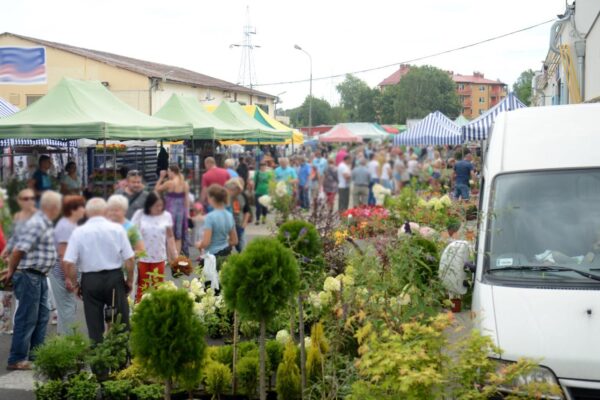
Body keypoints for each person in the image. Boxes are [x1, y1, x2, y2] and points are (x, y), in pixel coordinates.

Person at [63, 198, 135, 344]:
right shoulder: (117, 229)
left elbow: (69, 263)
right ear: (106, 211)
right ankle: (121, 363)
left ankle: (99, 364)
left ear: (87, 213)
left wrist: (76, 284)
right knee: (120, 321)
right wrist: (130, 280)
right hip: (114, 277)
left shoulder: (79, 232)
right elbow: (130, 259)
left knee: (94, 324)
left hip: (90, 280)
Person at [4, 191, 62, 370]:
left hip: (38, 274)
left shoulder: (42, 222)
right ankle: (17, 358)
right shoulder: (38, 223)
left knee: (42, 316)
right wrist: (11, 271)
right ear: (53, 207)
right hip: (30, 274)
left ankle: (36, 355)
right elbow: (19, 249)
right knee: (27, 318)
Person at [0, 189, 37, 334]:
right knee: (11, 293)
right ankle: (8, 325)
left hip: (12, 258)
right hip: (11, 259)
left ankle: (7, 324)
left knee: (10, 293)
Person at [48, 195, 85, 335]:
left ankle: (63, 341)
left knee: (66, 308)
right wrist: (68, 278)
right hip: (63, 273)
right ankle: (70, 344)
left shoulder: (70, 224)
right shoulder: (66, 226)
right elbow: (64, 255)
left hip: (67, 271)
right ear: (73, 209)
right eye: (82, 206)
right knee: (68, 308)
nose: (84, 209)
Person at [132, 193, 177, 302]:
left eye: (161, 205)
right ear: (149, 205)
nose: (159, 208)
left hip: (159, 256)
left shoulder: (166, 216)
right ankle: (140, 308)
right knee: (143, 285)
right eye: (156, 205)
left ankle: (157, 308)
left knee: (158, 285)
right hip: (142, 257)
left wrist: (175, 255)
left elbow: (170, 237)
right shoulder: (140, 214)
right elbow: (131, 233)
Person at [155, 164, 189, 255]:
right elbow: (186, 199)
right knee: (179, 234)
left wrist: (161, 177)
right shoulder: (184, 183)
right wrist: (187, 213)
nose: (168, 174)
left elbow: (156, 189)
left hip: (170, 211)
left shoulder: (170, 183)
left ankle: (169, 256)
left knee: (169, 234)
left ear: (172, 172)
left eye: (168, 172)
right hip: (181, 211)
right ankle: (176, 256)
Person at [196, 185, 237, 258]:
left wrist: (199, 244)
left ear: (212, 198)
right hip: (226, 254)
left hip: (212, 256)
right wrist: (223, 243)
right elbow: (234, 241)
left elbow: (206, 242)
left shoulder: (210, 217)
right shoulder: (229, 215)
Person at [225, 178, 251, 252]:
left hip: (239, 224)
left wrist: (243, 225)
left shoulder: (242, 195)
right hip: (227, 226)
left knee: (241, 247)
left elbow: (247, 211)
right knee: (226, 248)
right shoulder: (225, 196)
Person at [254, 161, 273, 225]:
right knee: (258, 206)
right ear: (260, 167)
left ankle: (264, 219)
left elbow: (271, 182)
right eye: (262, 166)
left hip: (266, 191)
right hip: (258, 191)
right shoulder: (257, 173)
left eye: (264, 166)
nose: (263, 167)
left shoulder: (269, 173)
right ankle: (257, 219)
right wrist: (254, 189)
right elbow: (255, 182)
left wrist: (271, 191)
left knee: (265, 206)